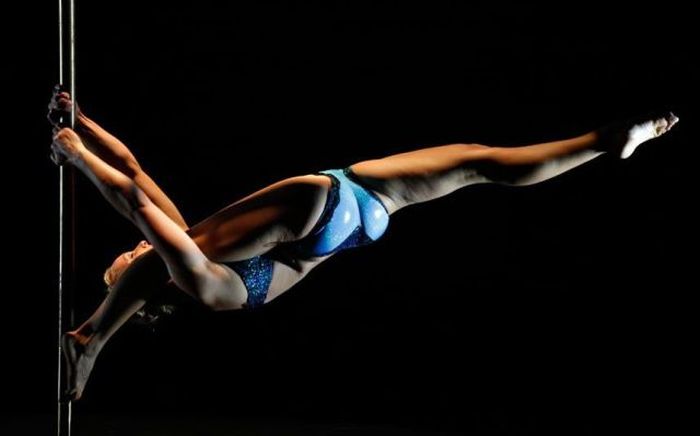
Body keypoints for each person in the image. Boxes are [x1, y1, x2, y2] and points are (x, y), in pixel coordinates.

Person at [48, 86, 678, 401]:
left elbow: (131, 170)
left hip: (359, 212)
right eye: (120, 264)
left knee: (479, 162)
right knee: (478, 165)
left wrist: (83, 123)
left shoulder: (202, 259)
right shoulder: (205, 283)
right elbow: (133, 204)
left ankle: (605, 142)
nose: (123, 253)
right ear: (138, 288)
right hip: (318, 204)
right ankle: (90, 340)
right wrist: (75, 156)